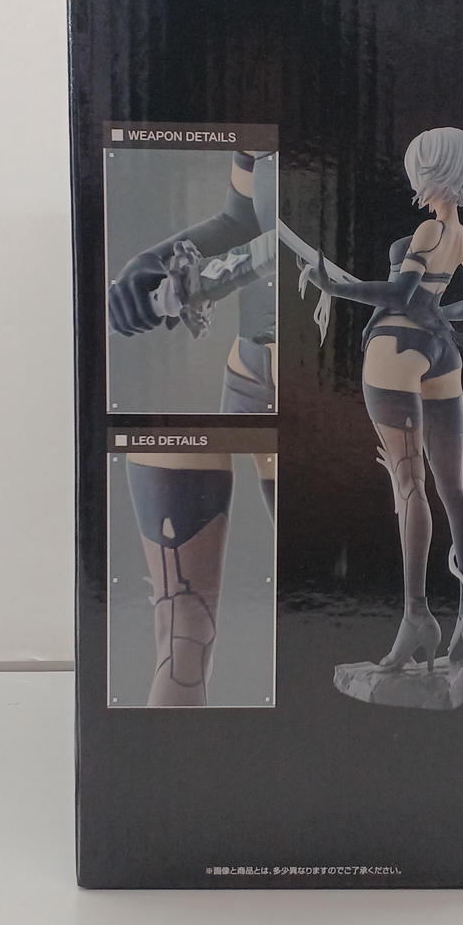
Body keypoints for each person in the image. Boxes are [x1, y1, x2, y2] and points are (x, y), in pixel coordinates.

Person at [300, 127, 463, 671]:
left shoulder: (428, 230)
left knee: (408, 483)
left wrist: (334, 287)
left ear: (431, 171)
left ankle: (417, 614)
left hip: (395, 350)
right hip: (443, 357)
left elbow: (398, 294)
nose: (414, 178)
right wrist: (442, 316)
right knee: (452, 487)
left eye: (419, 168)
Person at [108, 150, 276, 706]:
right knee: (182, 637)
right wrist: (154, 261)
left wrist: (204, 279)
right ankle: (165, 764)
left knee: (334, 618)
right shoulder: (261, 118)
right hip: (249, 377)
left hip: (327, 390)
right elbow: (242, 217)